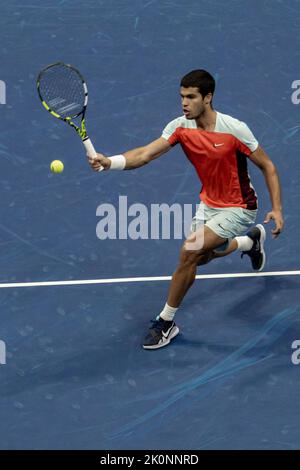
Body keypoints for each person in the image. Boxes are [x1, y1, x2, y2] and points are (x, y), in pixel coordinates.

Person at [88, 69, 284, 350]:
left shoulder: (234, 129)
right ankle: (250, 241)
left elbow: (268, 166)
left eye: (191, 97)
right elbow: (145, 154)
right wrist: (111, 162)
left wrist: (277, 209)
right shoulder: (180, 127)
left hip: (239, 206)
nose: (184, 103)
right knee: (202, 258)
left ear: (208, 97)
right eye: (182, 96)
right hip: (209, 204)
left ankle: (165, 322)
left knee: (189, 252)